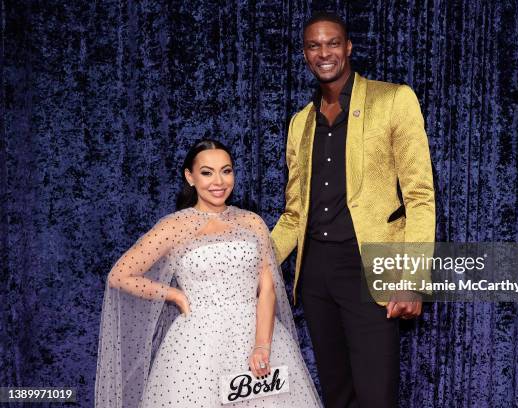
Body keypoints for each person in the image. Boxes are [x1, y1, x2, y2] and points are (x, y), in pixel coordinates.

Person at [270, 11, 435, 408]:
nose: (323, 52)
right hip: (315, 274)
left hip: (369, 269)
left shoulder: (394, 99)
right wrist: (253, 261)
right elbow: (295, 214)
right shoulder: (300, 123)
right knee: (337, 394)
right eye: (314, 45)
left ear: (348, 47)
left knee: (376, 395)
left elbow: (420, 197)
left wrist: (412, 279)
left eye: (331, 43)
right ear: (305, 53)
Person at [95, 139, 322, 407]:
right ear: (190, 177)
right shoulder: (174, 226)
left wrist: (262, 346)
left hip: (257, 334)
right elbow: (119, 275)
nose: (219, 181)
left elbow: (268, 288)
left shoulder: (252, 222)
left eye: (226, 171)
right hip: (197, 346)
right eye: (207, 172)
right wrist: (174, 294)